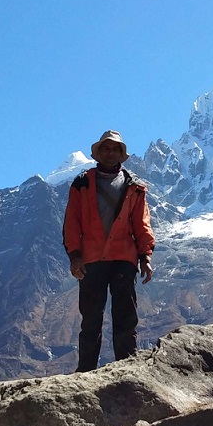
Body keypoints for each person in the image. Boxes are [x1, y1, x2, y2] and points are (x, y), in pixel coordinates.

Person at [62, 130, 155, 372]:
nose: (110, 153)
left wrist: (145, 256)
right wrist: (74, 255)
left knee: (126, 316)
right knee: (91, 319)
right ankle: (86, 372)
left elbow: (141, 223)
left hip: (124, 258)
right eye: (106, 148)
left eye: (115, 149)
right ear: (99, 153)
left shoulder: (135, 187)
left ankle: (126, 369)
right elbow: (72, 222)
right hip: (91, 259)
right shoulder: (81, 184)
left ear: (122, 155)